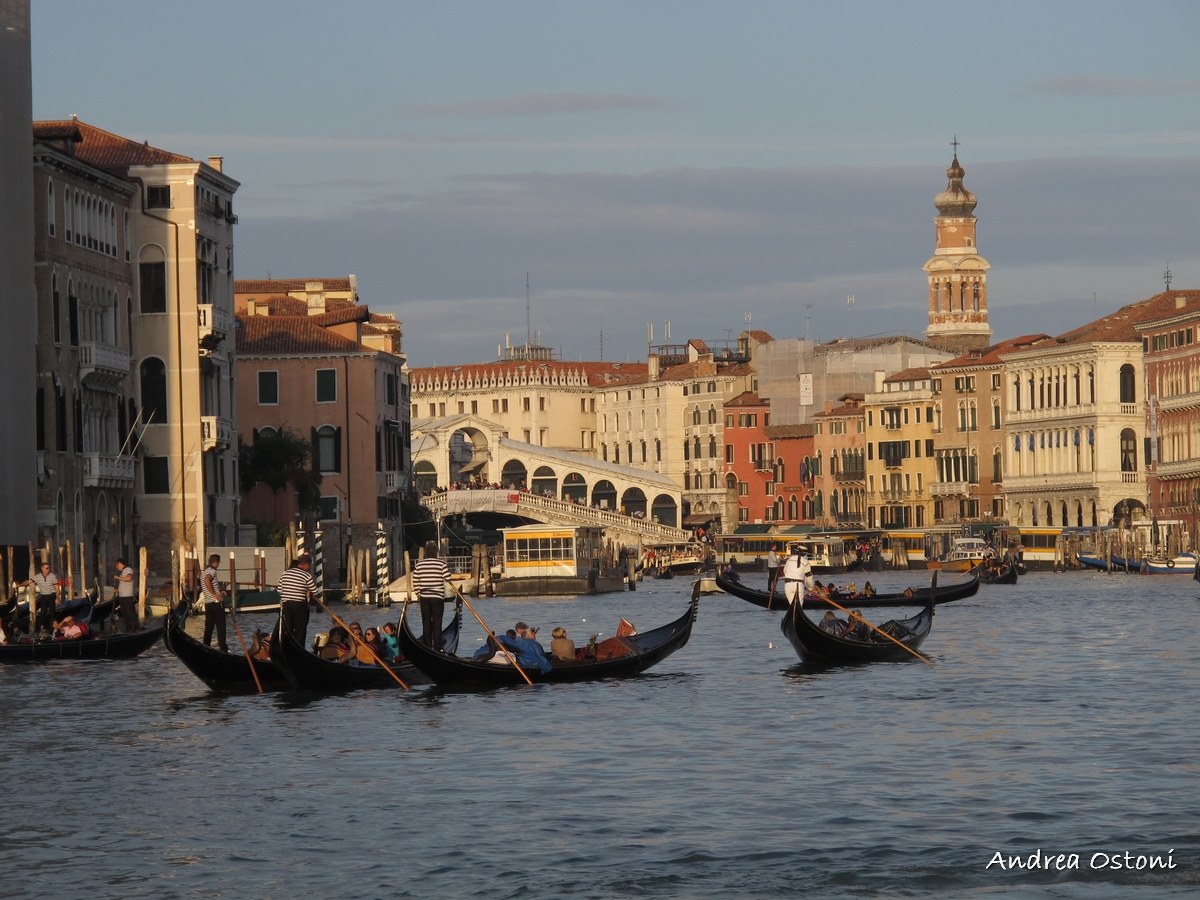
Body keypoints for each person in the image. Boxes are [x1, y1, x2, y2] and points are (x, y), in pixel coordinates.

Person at [412, 541, 451, 649]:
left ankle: (427, 645)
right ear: (436, 552)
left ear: (426, 552)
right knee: (437, 622)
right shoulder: (441, 564)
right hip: (437, 597)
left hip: (424, 597)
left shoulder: (419, 565)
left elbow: (415, 581)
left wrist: (418, 593)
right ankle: (437, 647)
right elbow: (448, 578)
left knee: (426, 622)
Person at [278, 553, 317, 642]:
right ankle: (299, 646)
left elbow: (279, 590)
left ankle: (288, 644)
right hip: (299, 605)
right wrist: (307, 591)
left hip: (286, 605)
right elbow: (315, 591)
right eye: (309, 566)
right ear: (306, 564)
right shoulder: (306, 575)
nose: (309, 568)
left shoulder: (285, 573)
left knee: (289, 628)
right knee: (300, 629)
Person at [24, 561, 61, 637]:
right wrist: (19, 585)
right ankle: (41, 629)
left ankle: (52, 629)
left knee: (52, 613)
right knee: (42, 613)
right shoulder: (37, 577)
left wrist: (57, 598)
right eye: (47, 568)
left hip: (51, 596)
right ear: (42, 569)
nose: (48, 569)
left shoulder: (52, 576)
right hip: (43, 596)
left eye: (49, 568)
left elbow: (57, 588)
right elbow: (29, 582)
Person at [200, 553, 228, 652]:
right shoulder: (212, 571)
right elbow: (208, 580)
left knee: (209, 627)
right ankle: (223, 649)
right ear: (217, 563)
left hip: (208, 603)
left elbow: (209, 582)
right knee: (221, 627)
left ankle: (205, 647)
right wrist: (215, 594)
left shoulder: (204, 571)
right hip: (216, 603)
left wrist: (220, 590)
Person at [113, 557, 139, 633]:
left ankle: (135, 627)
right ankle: (128, 627)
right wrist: (117, 590)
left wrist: (118, 577)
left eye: (117, 565)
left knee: (130, 612)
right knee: (124, 612)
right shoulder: (122, 572)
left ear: (120, 564)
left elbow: (129, 578)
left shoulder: (128, 569)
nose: (116, 567)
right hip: (122, 596)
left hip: (127, 596)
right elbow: (124, 583)